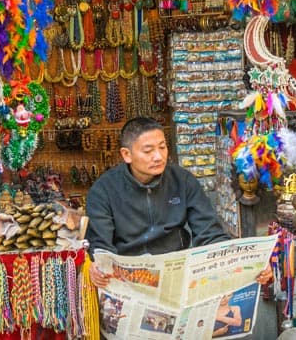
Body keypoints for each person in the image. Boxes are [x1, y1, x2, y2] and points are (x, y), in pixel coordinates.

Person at [86, 117, 230, 287]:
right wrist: (99, 267)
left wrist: (231, 256)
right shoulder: (104, 190)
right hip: (128, 278)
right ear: (126, 154)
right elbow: (101, 246)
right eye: (148, 151)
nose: (158, 156)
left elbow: (209, 232)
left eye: (162, 147)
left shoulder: (182, 180)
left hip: (175, 270)